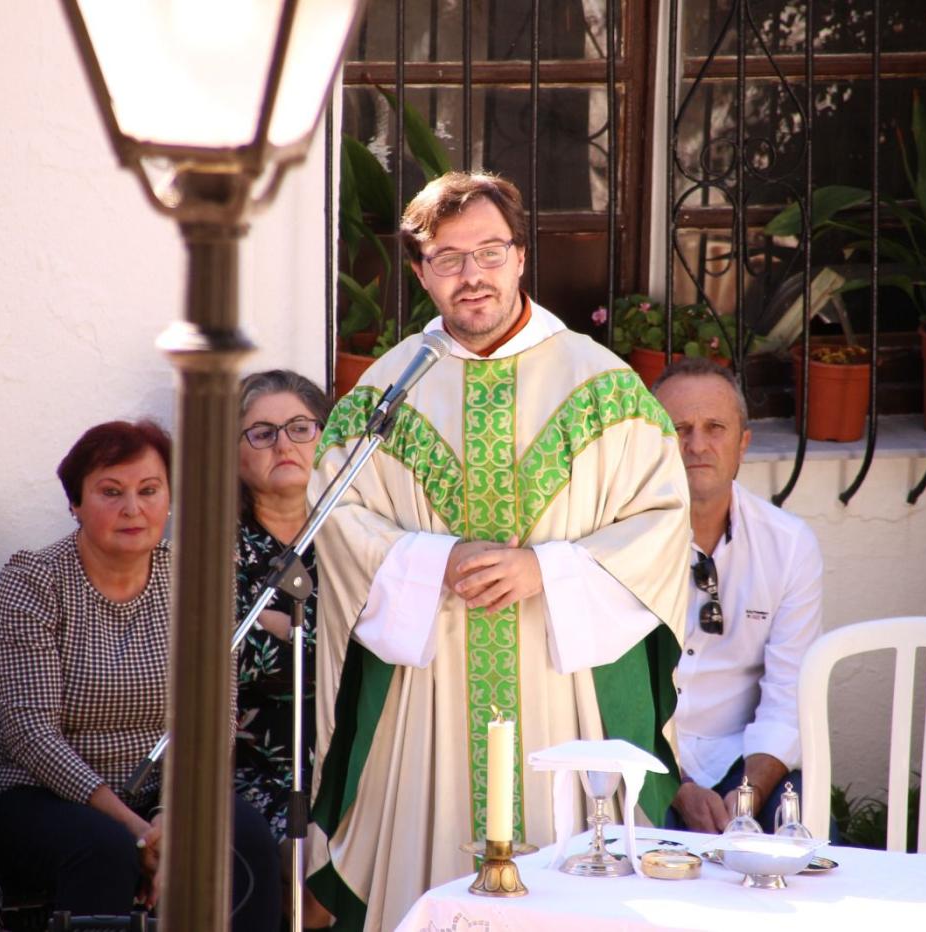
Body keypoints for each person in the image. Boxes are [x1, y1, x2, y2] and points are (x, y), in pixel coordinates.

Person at [308, 171, 691, 931]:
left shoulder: (605, 386)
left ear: (521, 258)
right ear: (421, 274)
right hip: (429, 693)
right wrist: (431, 562)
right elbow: (336, 512)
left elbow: (661, 522)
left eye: (489, 251)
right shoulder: (386, 390)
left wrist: (543, 569)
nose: (472, 275)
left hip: (563, 688)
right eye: (448, 259)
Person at [0, 419, 280, 930]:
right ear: (74, 503)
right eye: (110, 492)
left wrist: (172, 818)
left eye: (149, 490)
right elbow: (29, 732)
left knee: (244, 839)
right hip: (42, 794)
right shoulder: (34, 580)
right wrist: (138, 832)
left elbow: (215, 715)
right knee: (107, 851)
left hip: (166, 795)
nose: (132, 508)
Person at [651, 357, 823, 833]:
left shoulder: (788, 546)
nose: (696, 445)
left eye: (715, 428)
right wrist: (677, 786)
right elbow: (609, 689)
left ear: (742, 444)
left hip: (743, 757)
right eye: (678, 429)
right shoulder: (618, 541)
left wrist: (745, 796)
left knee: (795, 831)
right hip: (645, 756)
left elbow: (789, 697)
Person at [233, 371, 334, 927]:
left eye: (300, 427)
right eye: (262, 433)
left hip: (353, 756)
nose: (284, 444)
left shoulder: (354, 536)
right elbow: (229, 661)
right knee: (311, 874)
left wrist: (281, 624)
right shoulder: (216, 548)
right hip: (257, 768)